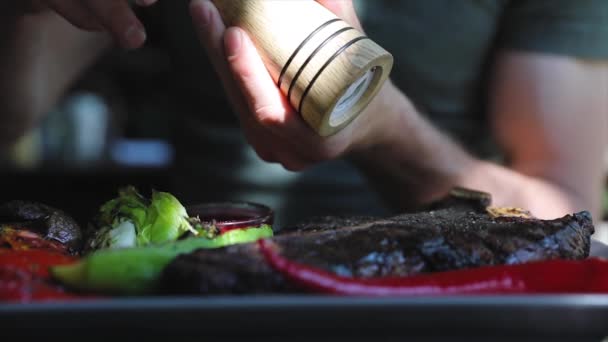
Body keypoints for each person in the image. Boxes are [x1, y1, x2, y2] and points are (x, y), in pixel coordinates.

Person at [0, 1, 606, 233]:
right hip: (205, 293)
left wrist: (386, 132)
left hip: (439, 306)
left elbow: (563, 218)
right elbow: (12, 115)